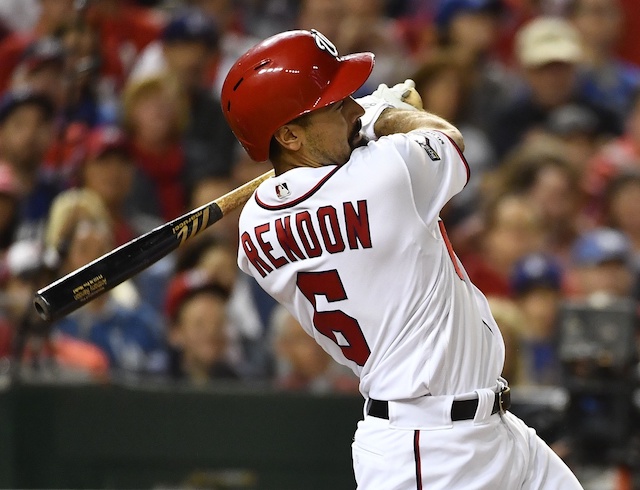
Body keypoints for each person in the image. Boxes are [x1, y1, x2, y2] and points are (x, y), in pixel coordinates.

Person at [221, 29, 583, 489]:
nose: (353, 109)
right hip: (430, 451)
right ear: (289, 134)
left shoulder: (252, 227)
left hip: (487, 430)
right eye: (336, 106)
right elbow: (446, 137)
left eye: (351, 99)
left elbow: (316, 190)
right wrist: (384, 115)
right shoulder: (384, 176)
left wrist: (349, 130)